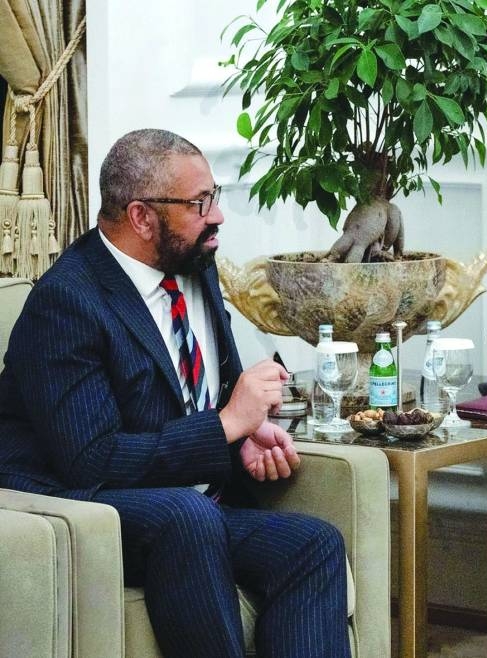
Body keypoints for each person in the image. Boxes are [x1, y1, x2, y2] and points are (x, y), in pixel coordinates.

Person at [0, 129, 350, 658]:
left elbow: (205, 395)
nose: (217, 217)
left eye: (214, 198)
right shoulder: (67, 302)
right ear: (141, 217)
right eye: (199, 203)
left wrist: (242, 437)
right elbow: (90, 459)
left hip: (185, 507)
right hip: (75, 506)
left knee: (313, 545)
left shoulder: (194, 268)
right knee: (189, 517)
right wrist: (226, 425)